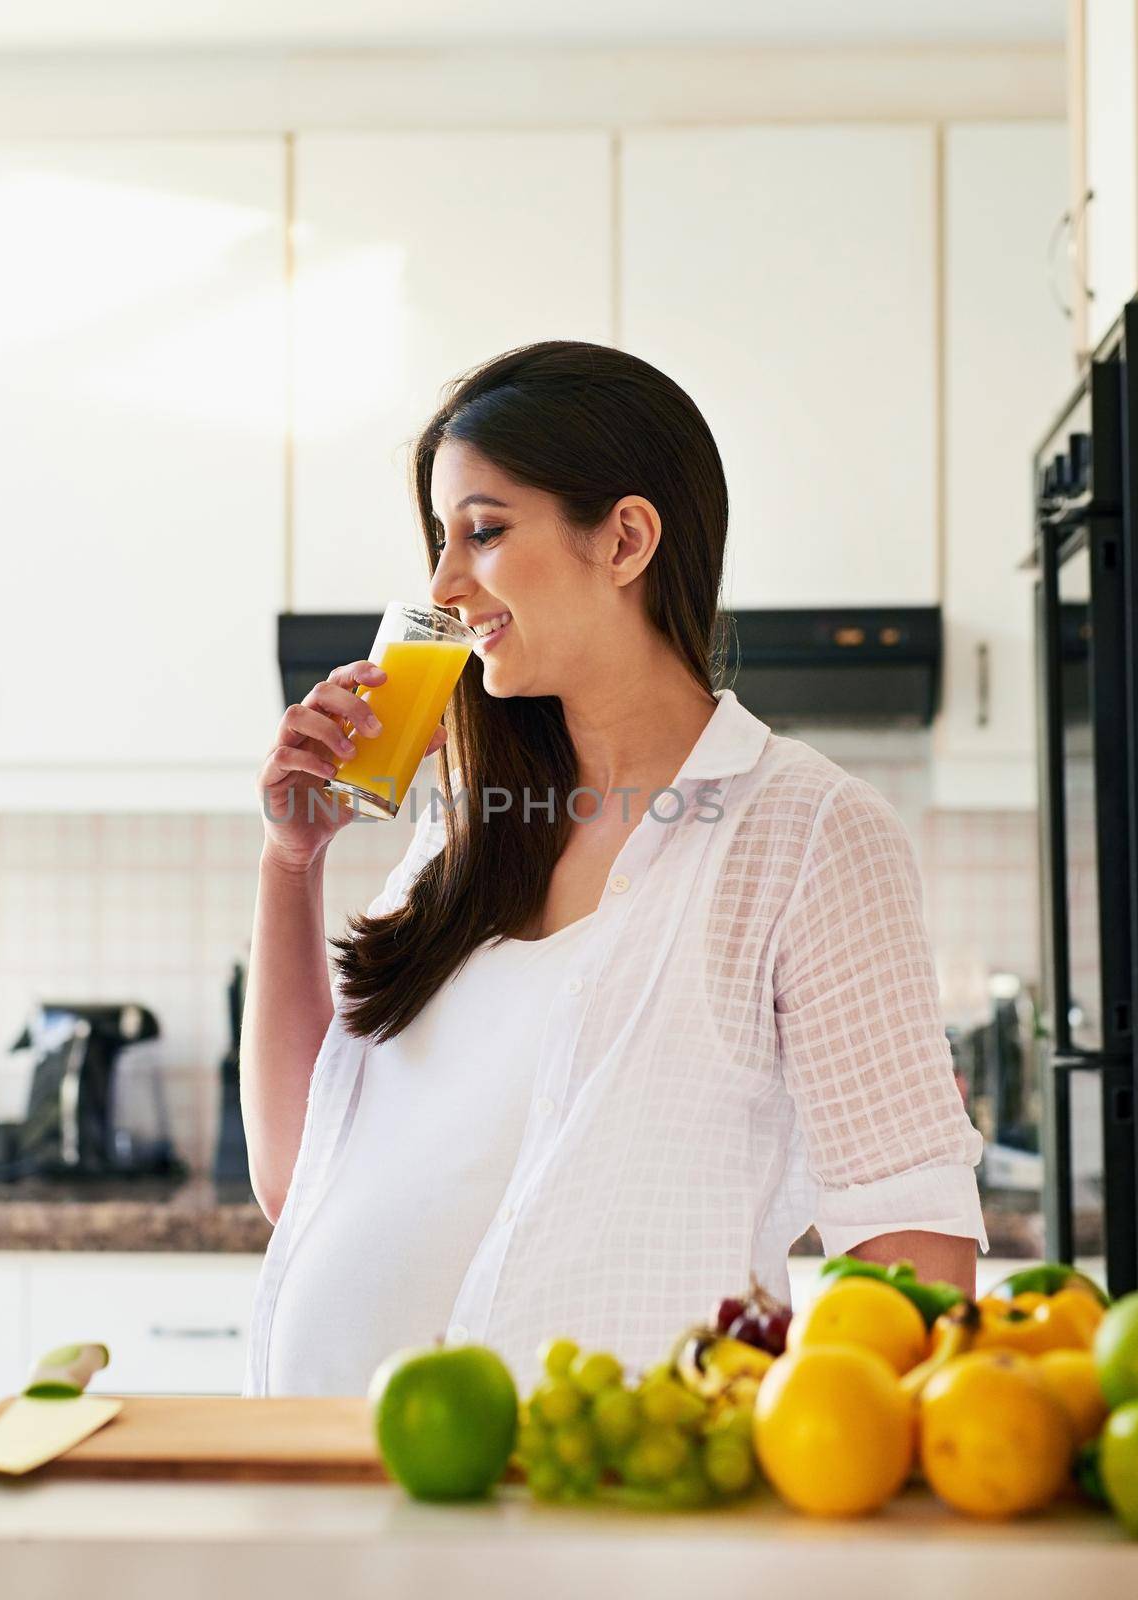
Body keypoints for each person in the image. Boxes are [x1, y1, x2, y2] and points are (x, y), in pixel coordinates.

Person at [240, 339, 986, 1397]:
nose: (445, 586)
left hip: (597, 1527)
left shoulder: (806, 833)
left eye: (483, 533)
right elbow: (296, 1180)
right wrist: (290, 860)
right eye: (439, 544)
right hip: (323, 1509)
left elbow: (911, 1248)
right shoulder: (462, 827)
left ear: (626, 538)